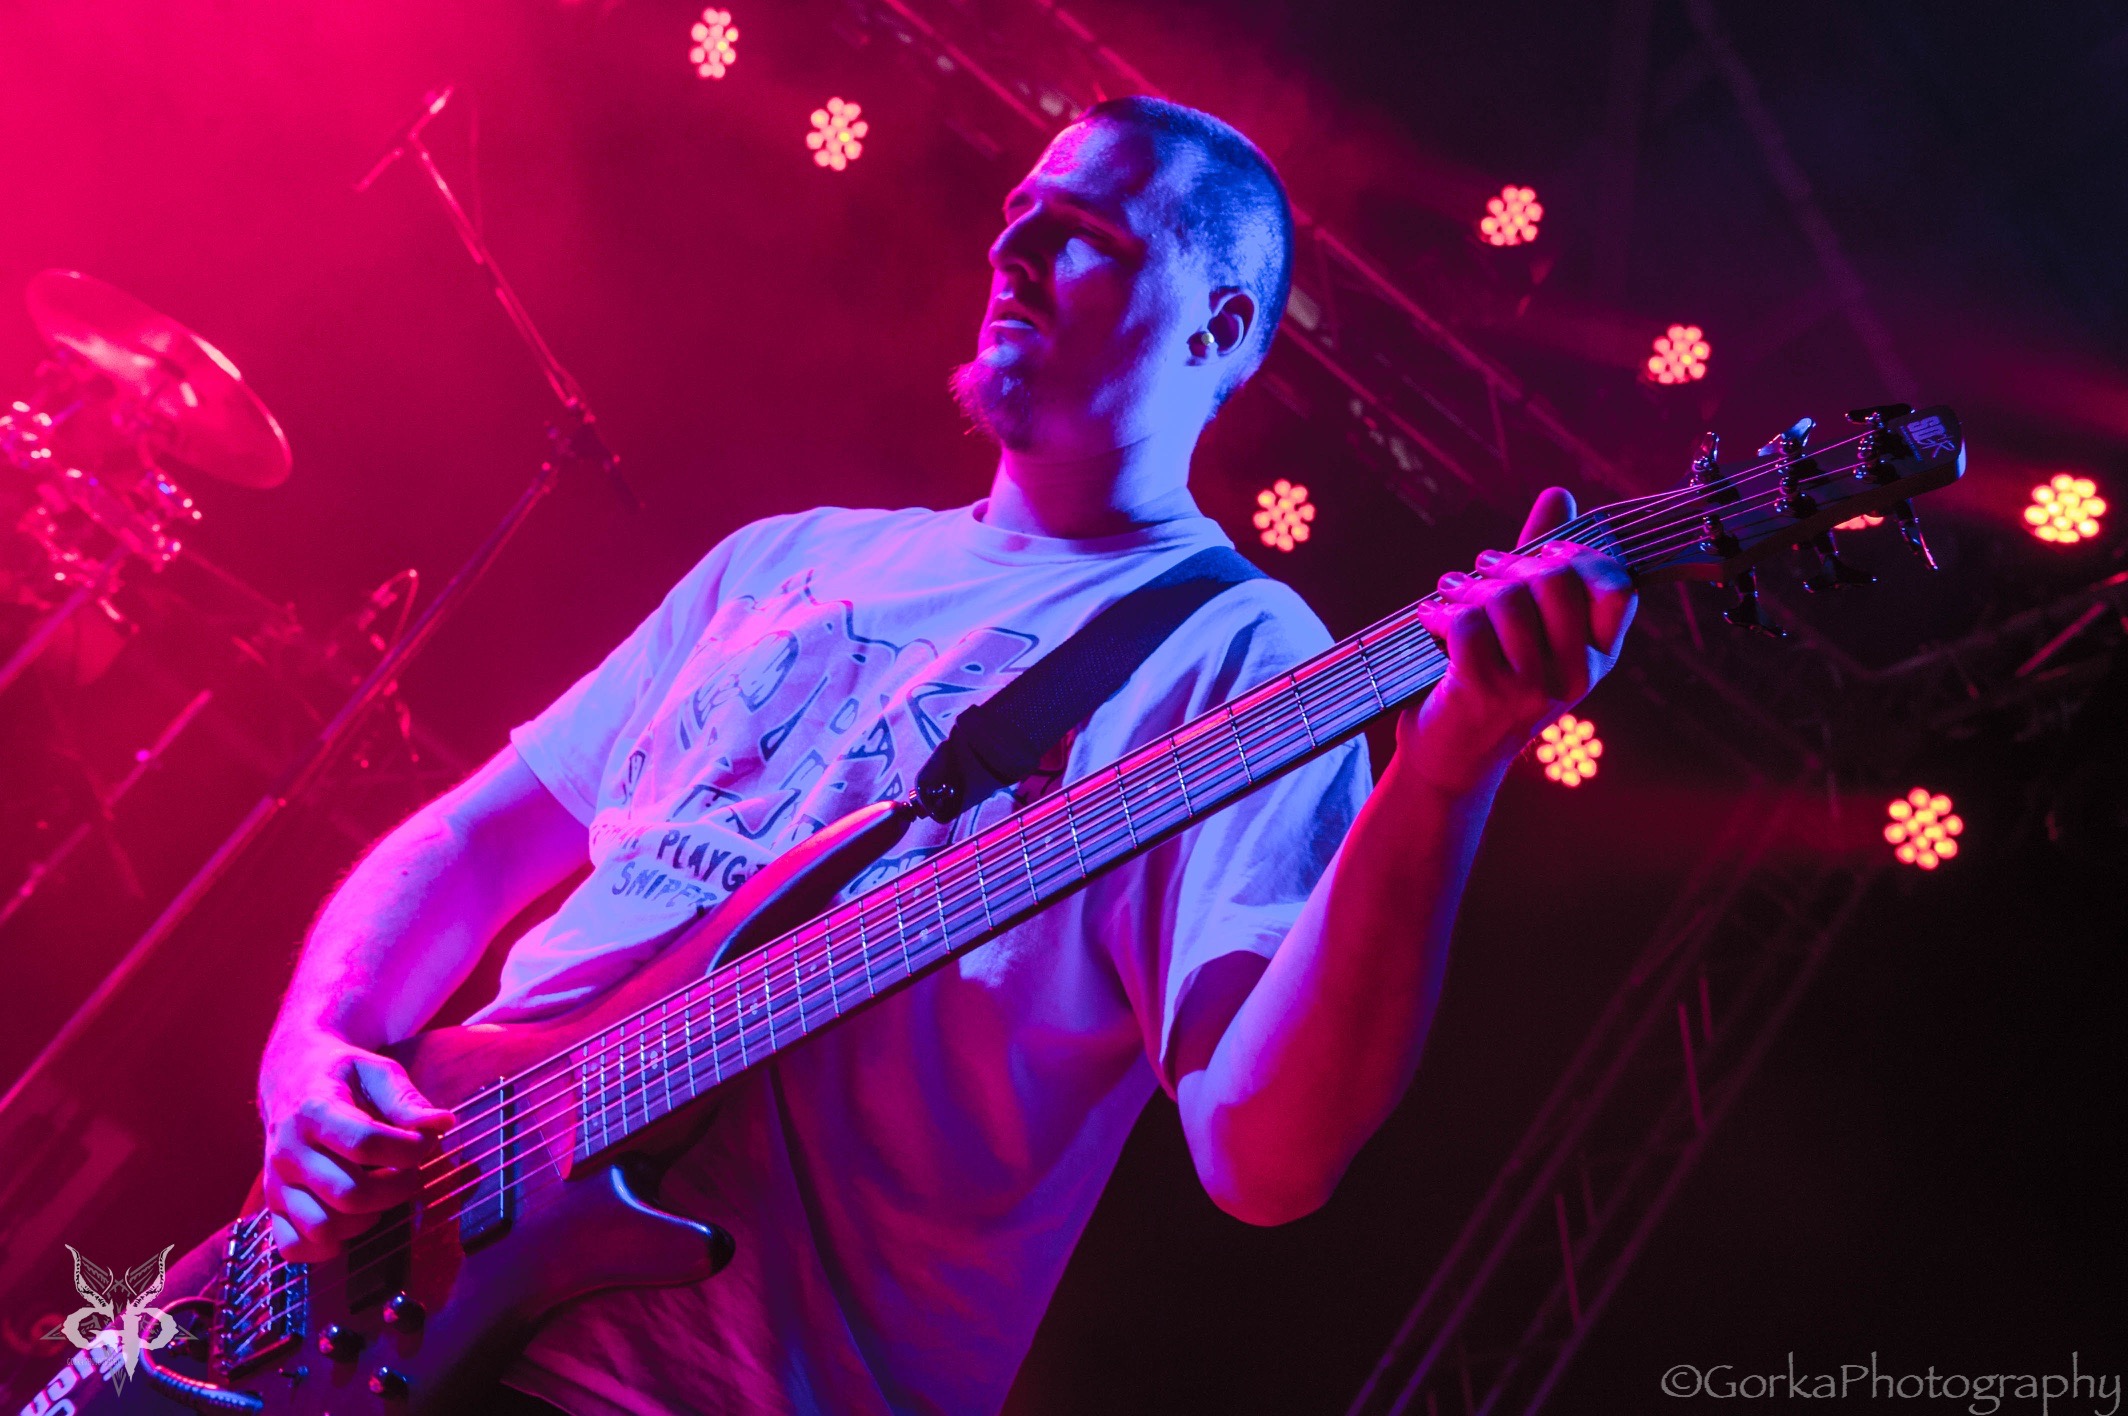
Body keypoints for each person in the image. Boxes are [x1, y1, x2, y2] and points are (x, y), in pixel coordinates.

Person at [254, 96, 1636, 1415]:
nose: (1011, 248)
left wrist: (1446, 773)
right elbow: (473, 837)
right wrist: (313, 1052)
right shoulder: (785, 558)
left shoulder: (1242, 656)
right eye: (1018, 211)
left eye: (1086, 234)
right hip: (384, 1287)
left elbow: (1265, 1157)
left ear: (1218, 327)